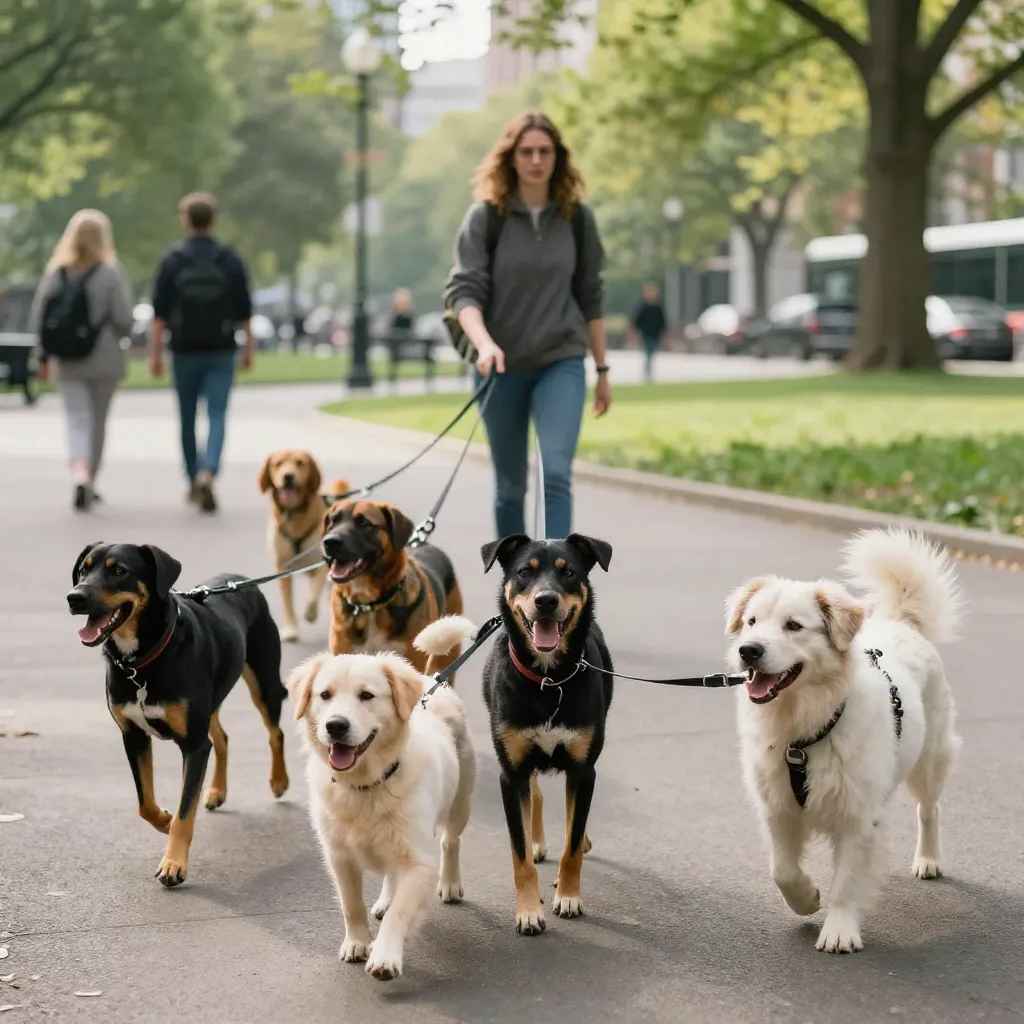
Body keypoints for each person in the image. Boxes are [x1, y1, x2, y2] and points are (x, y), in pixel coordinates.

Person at [443, 110, 611, 540]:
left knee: (555, 471)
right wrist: (483, 345)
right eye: (527, 151)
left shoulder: (577, 219)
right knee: (511, 487)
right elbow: (464, 292)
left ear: (558, 157)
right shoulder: (486, 218)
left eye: (545, 151)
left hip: (561, 361)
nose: (536, 159)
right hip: (500, 367)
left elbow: (590, 295)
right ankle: (515, 590)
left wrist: (602, 370)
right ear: (511, 158)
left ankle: (561, 578)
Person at [149, 192, 254, 513]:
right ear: (213, 219)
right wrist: (248, 347)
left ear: (186, 220)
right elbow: (244, 310)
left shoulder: (173, 260)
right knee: (218, 414)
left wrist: (155, 354)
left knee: (186, 417)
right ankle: (209, 470)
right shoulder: (228, 259)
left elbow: (160, 314)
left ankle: (194, 475)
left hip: (184, 349)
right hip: (221, 348)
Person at [29, 209, 134, 511]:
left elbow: (39, 319)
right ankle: (91, 477)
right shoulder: (111, 272)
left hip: (67, 359)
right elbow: (124, 319)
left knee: (77, 419)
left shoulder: (57, 272)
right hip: (104, 358)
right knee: (98, 422)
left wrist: (42, 356)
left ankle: (77, 472)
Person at [631, 282, 667, 382]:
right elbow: (637, 321)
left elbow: (662, 321)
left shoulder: (658, 307)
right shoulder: (643, 307)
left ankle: (649, 371)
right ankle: (647, 372)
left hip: (655, 334)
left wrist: (663, 331)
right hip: (646, 333)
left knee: (652, 352)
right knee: (648, 352)